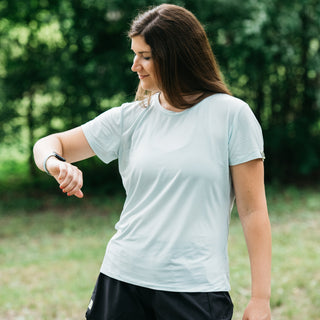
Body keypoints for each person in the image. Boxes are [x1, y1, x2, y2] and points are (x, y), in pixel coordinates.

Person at [33, 4, 271, 320]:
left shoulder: (232, 116)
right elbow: (49, 144)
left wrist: (260, 297)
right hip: (121, 279)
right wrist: (56, 163)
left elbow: (253, 211)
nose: (135, 66)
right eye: (134, 54)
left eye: (145, 56)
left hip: (195, 289)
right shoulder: (131, 117)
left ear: (177, 56)